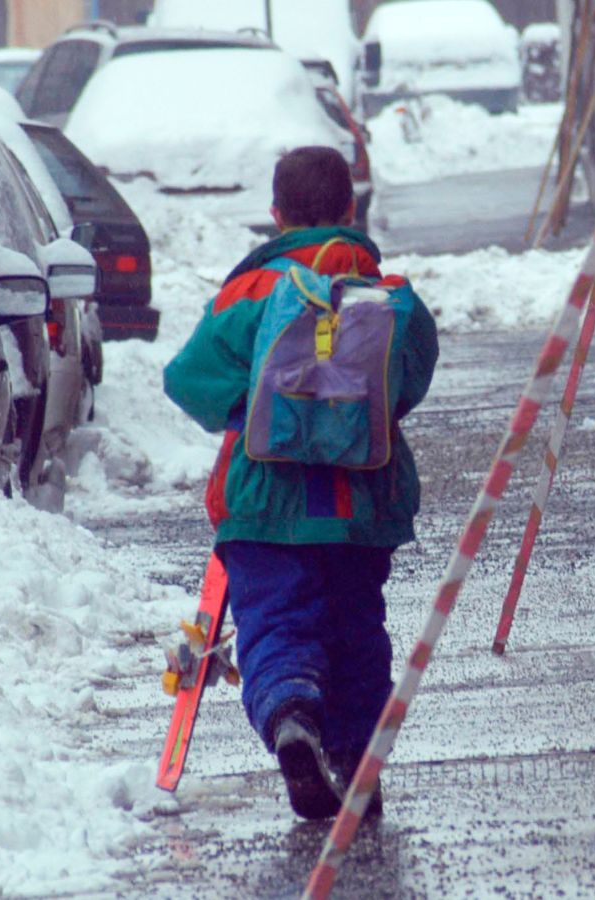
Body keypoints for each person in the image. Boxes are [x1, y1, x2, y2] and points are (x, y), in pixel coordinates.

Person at [163, 146, 439, 819]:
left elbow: (187, 379)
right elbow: (410, 379)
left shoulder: (251, 293)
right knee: (355, 628)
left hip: (265, 503)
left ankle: (292, 717)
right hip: (361, 503)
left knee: (278, 622)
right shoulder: (391, 295)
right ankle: (354, 758)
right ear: (350, 209)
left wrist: (266, 410)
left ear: (276, 217)